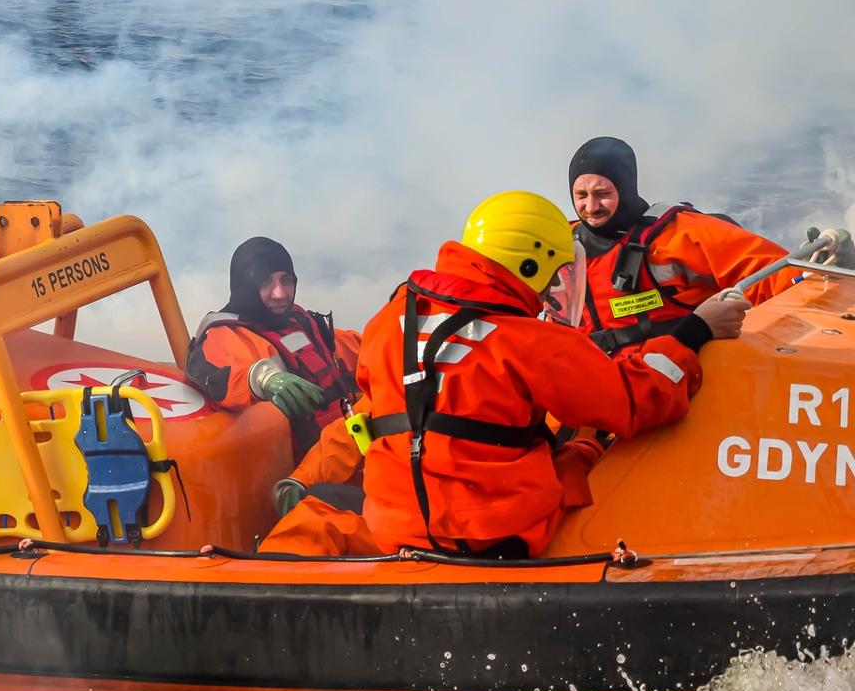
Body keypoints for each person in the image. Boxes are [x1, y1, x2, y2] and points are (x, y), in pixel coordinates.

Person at [259, 191, 749, 558]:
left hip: (398, 524)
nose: (554, 288)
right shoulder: (529, 340)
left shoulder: (389, 320)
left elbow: (378, 402)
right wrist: (695, 330)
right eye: (553, 275)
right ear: (529, 263)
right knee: (587, 447)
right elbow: (635, 400)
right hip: (494, 535)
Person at [563, 136, 850, 355]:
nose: (591, 207)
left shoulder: (678, 235)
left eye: (602, 193)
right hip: (586, 387)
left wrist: (819, 272)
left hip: (667, 382)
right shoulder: (560, 242)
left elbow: (769, 274)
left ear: (625, 188)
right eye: (581, 195)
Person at [185, 237, 362, 470]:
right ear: (245, 285)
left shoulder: (302, 321)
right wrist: (263, 378)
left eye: (286, 280)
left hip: (353, 448)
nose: (280, 294)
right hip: (300, 472)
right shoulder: (224, 335)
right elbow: (210, 372)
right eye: (265, 282)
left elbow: (357, 348)